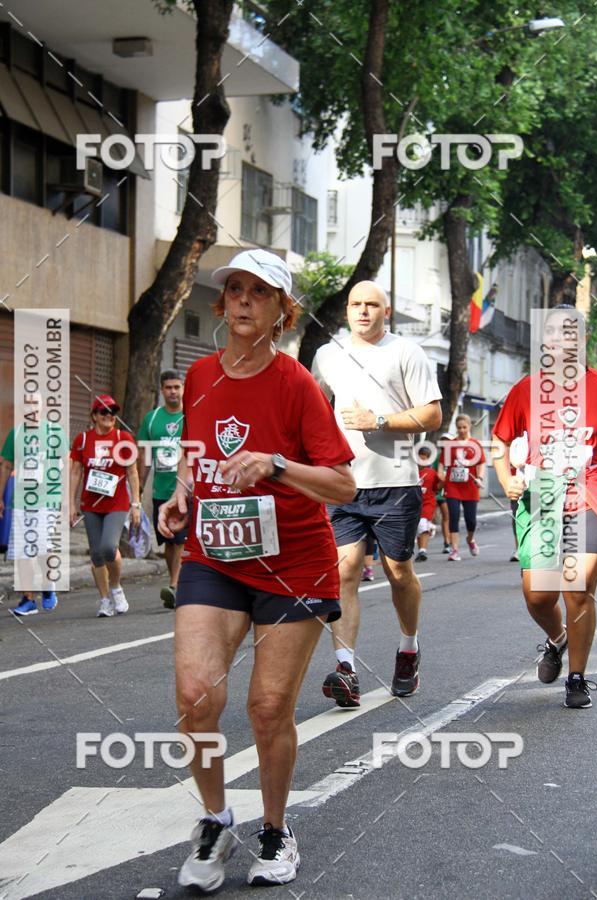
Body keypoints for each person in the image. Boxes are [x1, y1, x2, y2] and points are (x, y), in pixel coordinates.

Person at [158, 249, 355, 891]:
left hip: (293, 565)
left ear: (281, 310)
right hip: (215, 557)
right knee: (196, 698)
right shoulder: (199, 377)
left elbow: (344, 485)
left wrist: (276, 465)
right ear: (221, 304)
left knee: (268, 708)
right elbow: (197, 450)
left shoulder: (297, 384)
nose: (243, 300)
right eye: (234, 290)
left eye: (259, 293)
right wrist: (183, 491)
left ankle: (276, 829)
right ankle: (216, 820)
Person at [312, 281, 442, 708]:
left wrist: (379, 420)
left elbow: (432, 413)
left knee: (398, 572)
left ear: (386, 310)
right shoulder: (327, 354)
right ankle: (345, 668)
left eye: (372, 305)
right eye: (355, 304)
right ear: (346, 311)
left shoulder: (406, 352)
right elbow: (311, 408)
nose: (363, 311)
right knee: (345, 569)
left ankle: (409, 648)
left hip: (396, 483)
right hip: (344, 482)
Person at [493, 304, 597, 709]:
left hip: (588, 494)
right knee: (539, 595)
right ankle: (557, 639)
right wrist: (507, 480)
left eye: (569, 332)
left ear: (582, 339)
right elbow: (501, 443)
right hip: (541, 499)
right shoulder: (526, 390)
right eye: (552, 332)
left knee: (577, 587)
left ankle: (576, 678)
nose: (559, 339)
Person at [70, 394, 141, 617]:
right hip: (90, 504)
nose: (109, 416)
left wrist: (136, 503)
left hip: (116, 503)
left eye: (112, 412)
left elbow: (132, 471)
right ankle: (104, 600)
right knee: (96, 555)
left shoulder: (123, 438)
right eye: (104, 412)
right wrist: (70, 504)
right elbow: (75, 472)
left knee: (109, 547)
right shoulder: (82, 440)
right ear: (93, 416)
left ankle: (116, 587)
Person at [0, 394, 69, 615]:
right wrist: (0, 497)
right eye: (27, 403)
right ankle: (28, 599)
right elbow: (5, 466)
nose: (31, 407)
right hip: (20, 502)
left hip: (48, 500)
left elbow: (69, 465)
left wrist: (67, 498)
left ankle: (48, 585)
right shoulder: (16, 433)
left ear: (42, 406)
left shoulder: (55, 432)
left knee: (42, 548)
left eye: (35, 403)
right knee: (22, 552)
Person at [137, 369, 186, 609]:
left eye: (177, 387)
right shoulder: (152, 419)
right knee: (168, 541)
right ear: (162, 389)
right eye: (169, 387)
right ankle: (175, 581)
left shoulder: (191, 415)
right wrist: (138, 489)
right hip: (160, 491)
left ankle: (176, 585)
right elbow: (145, 457)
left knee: (180, 540)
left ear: (183, 388)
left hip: (187, 490)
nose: (173, 392)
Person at [438, 414, 485, 561]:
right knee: (454, 516)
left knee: (471, 520)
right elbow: (441, 463)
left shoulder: (475, 444)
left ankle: (470, 539)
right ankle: (454, 550)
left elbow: (481, 463)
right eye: (459, 428)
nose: (462, 430)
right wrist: (440, 473)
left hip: (470, 486)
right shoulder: (450, 444)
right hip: (453, 486)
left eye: (464, 427)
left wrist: (480, 477)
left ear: (469, 426)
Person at [415, 446, 441, 562]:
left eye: (424, 459)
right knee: (418, 527)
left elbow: (437, 487)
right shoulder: (412, 472)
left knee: (423, 524)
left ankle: (423, 550)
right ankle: (420, 549)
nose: (421, 461)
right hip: (414, 504)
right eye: (420, 458)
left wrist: (443, 481)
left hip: (427, 504)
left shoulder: (431, 473)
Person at [435, 432, 453, 553]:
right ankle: (447, 542)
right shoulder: (438, 457)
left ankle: (450, 541)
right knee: (445, 517)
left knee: (450, 517)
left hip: (453, 490)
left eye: (448, 441)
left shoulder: (456, 455)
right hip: (440, 491)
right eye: (443, 441)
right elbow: (435, 473)